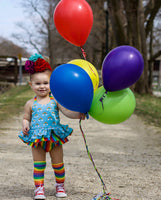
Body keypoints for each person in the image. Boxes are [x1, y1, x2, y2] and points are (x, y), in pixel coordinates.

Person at [18, 54, 85, 199]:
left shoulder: (56, 100)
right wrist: (25, 125)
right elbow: (26, 117)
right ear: (31, 85)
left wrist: (78, 114)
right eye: (38, 84)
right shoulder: (30, 103)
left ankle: (60, 186)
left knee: (58, 163)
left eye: (45, 83)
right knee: (39, 165)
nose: (42, 86)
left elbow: (67, 112)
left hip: (54, 137)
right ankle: (39, 189)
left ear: (52, 84)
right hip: (37, 139)